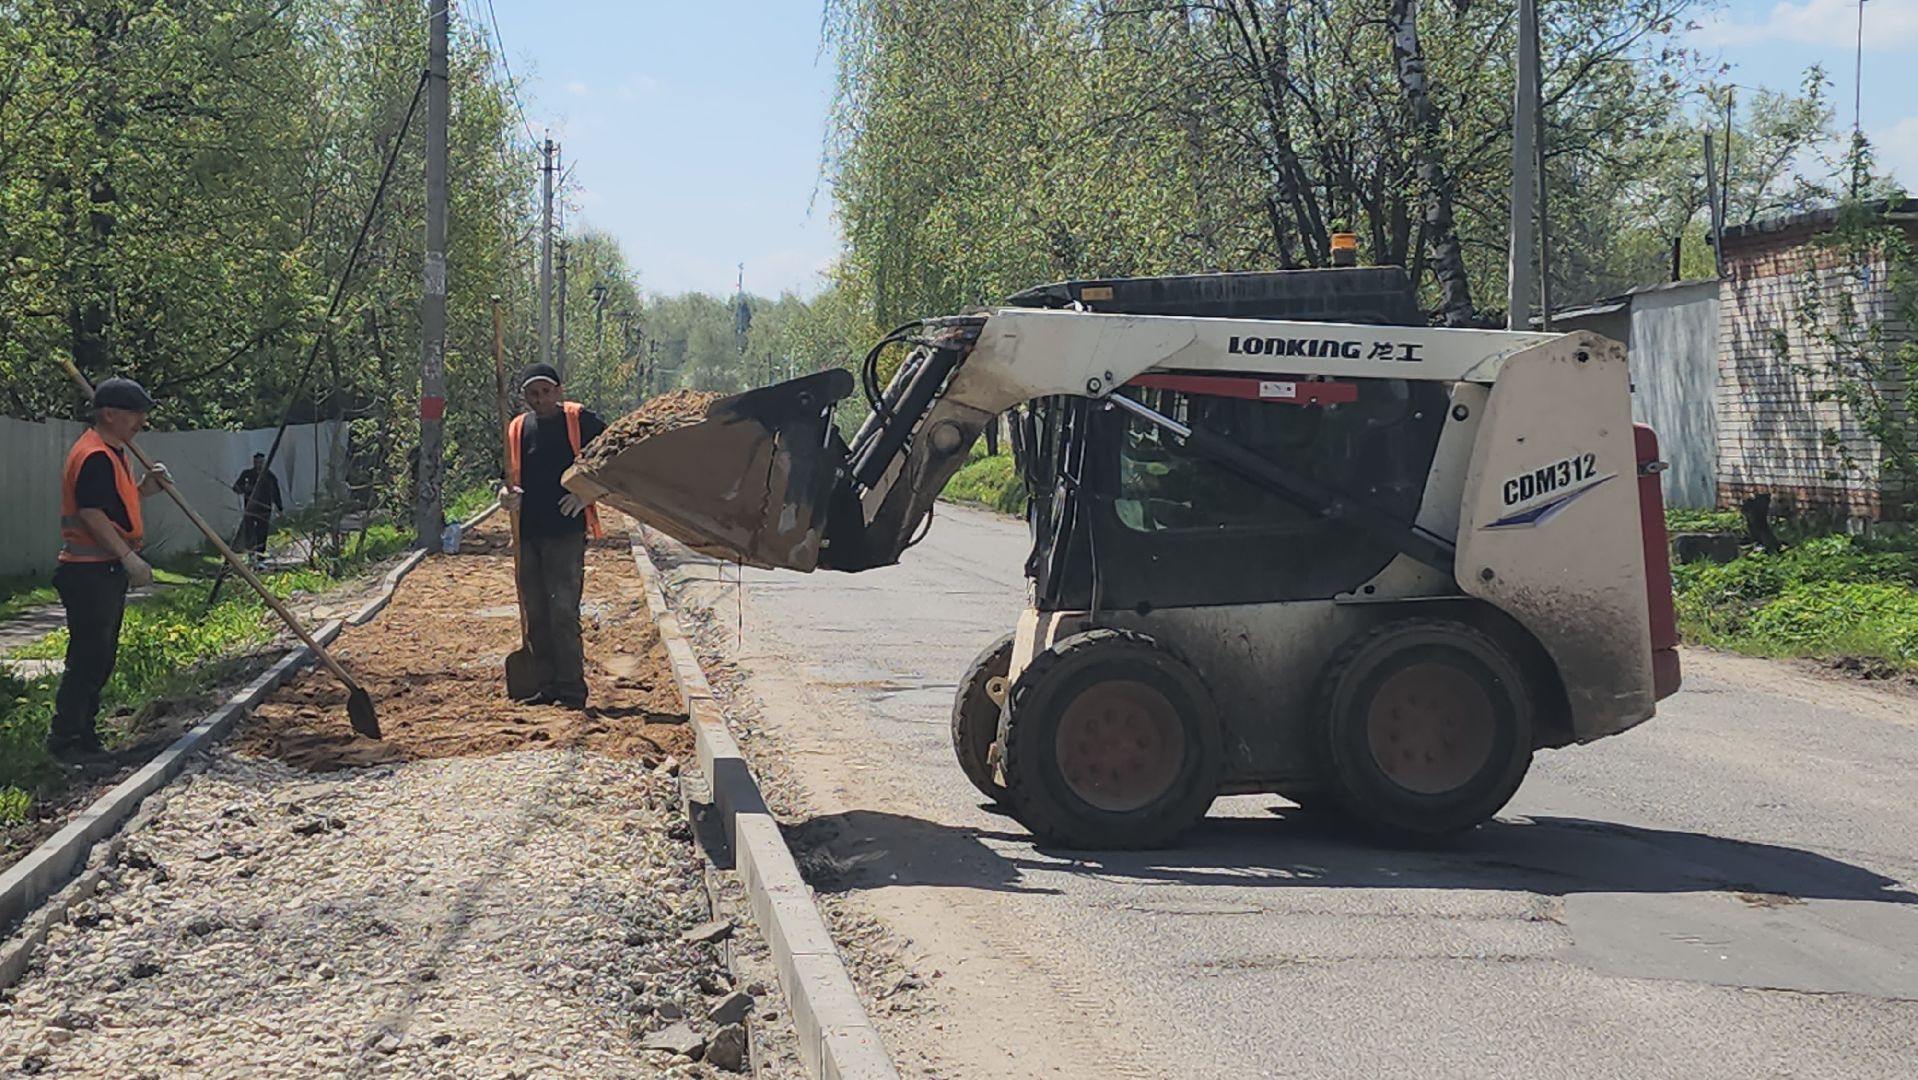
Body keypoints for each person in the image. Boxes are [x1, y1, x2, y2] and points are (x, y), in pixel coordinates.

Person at [49, 376, 170, 761]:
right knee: (88, 659)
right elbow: (91, 512)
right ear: (110, 414)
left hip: (99, 572)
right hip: (89, 572)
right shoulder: (95, 454)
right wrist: (128, 557)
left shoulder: (111, 451)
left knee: (99, 658)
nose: (141, 420)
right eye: (135, 413)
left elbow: (112, 501)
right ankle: (67, 743)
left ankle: (85, 738)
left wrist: (144, 489)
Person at [499, 363, 605, 709]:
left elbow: (613, 458)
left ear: (559, 390)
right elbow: (510, 475)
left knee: (562, 611)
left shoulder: (580, 421)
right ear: (524, 396)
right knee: (536, 611)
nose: (540, 399)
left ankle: (572, 690)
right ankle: (546, 686)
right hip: (528, 533)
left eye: (546, 391)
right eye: (533, 393)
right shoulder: (519, 428)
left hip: (564, 533)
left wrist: (587, 493)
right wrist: (506, 496)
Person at [231, 452, 283, 565]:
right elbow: (236, 487)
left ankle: (260, 556)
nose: (259, 464)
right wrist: (244, 489)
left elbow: (276, 492)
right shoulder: (247, 475)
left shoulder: (269, 476)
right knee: (249, 531)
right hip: (250, 508)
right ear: (254, 462)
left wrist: (279, 507)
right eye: (257, 462)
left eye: (261, 462)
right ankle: (251, 553)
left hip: (265, 509)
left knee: (262, 532)